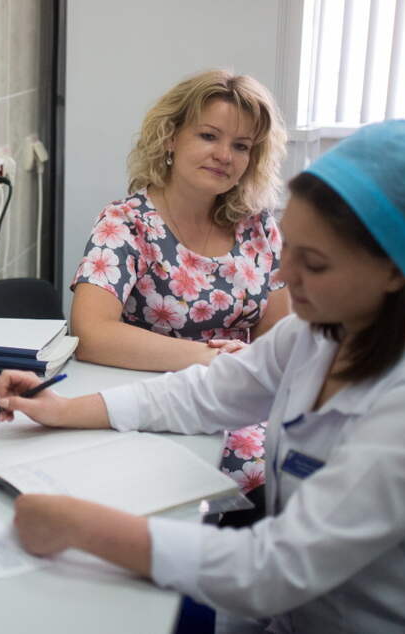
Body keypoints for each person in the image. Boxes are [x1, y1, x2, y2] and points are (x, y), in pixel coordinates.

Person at [0, 120, 405, 632]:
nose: (283, 276)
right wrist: (62, 409)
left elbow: (276, 568)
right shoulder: (318, 334)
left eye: (314, 264)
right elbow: (206, 393)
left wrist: (80, 524)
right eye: (289, 248)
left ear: (394, 271)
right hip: (291, 615)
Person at [69, 69, 290, 510]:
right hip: (151, 399)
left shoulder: (258, 225)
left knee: (299, 462)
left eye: (241, 146)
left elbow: (278, 338)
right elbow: (91, 334)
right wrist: (210, 359)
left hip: (239, 398)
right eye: (209, 136)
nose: (224, 156)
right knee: (253, 477)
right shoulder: (127, 222)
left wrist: (243, 368)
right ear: (171, 137)